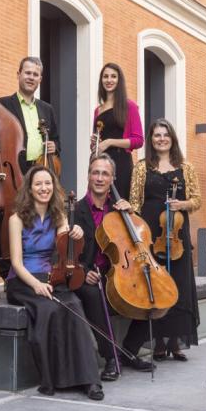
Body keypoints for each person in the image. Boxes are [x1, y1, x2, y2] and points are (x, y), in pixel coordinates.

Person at [6, 165, 104, 400]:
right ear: (29, 189)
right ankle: (52, 379)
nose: (43, 188)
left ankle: (89, 380)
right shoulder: (16, 219)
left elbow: (67, 247)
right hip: (24, 280)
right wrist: (35, 285)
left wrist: (75, 232)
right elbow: (16, 263)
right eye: (38, 184)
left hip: (52, 277)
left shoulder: (59, 215)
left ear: (54, 187)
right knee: (48, 309)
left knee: (74, 306)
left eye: (48, 183)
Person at [74, 153, 155, 381]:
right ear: (89, 176)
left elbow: (137, 242)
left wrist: (132, 215)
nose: (99, 178)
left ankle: (128, 350)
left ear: (112, 179)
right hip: (92, 275)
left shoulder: (120, 211)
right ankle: (111, 357)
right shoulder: (76, 210)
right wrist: (82, 270)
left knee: (150, 290)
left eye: (105, 174)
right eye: (95, 172)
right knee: (91, 293)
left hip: (119, 272)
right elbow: (67, 252)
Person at [126, 119, 201, 361]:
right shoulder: (141, 168)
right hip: (151, 234)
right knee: (156, 286)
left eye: (165, 134)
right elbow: (135, 202)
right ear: (151, 139)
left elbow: (197, 200)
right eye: (157, 135)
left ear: (172, 138)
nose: (161, 139)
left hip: (176, 234)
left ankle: (175, 342)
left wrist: (182, 204)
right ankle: (158, 342)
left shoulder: (185, 167)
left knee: (178, 285)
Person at [90, 63, 144, 199]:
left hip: (121, 163)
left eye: (113, 76)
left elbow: (138, 140)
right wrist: (94, 144)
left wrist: (109, 142)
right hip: (101, 161)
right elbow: (98, 142)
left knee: (119, 203)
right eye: (105, 76)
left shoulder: (129, 106)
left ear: (119, 81)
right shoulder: (98, 110)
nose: (109, 80)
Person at [0, 56, 60, 174]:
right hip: (14, 170)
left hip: (41, 168)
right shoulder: (2, 105)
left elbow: (56, 139)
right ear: (18, 74)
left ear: (40, 79)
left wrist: (54, 146)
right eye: (27, 73)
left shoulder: (47, 109)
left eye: (35, 75)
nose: (31, 77)